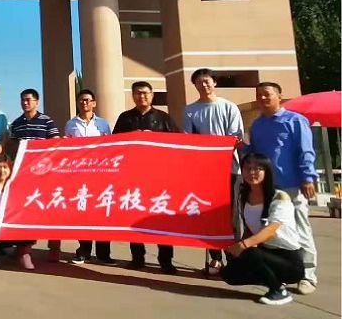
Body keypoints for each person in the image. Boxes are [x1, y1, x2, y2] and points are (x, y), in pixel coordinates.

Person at [245, 82, 318, 295]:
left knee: (300, 229)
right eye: (259, 95)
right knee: (273, 234)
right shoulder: (257, 125)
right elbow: (254, 154)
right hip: (267, 189)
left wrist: (308, 177)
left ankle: (307, 275)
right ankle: (281, 274)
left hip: (292, 185)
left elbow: (306, 151)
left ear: (279, 96)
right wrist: (238, 146)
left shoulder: (295, 121)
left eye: (267, 94)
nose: (263, 98)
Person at [113, 81, 180, 274]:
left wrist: (156, 138)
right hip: (133, 177)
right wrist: (131, 138)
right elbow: (114, 144)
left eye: (145, 93)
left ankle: (166, 260)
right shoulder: (125, 118)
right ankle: (137, 257)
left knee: (162, 218)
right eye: (137, 93)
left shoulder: (163, 118)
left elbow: (177, 143)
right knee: (134, 216)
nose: (141, 96)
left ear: (152, 95)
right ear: (133, 96)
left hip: (158, 177)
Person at [183, 68, 244, 275]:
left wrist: (218, 150)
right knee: (209, 215)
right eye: (199, 82)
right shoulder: (190, 110)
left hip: (230, 169)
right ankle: (215, 258)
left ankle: (234, 257)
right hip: (205, 172)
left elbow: (235, 136)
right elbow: (188, 140)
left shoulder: (229, 107)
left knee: (231, 215)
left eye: (207, 81)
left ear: (214, 83)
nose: (204, 85)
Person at [222, 153, 304, 306]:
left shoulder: (280, 197)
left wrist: (244, 245)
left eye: (257, 168)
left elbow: (271, 229)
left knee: (250, 253)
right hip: (265, 253)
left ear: (267, 171)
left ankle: (279, 291)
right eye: (247, 168)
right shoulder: (244, 196)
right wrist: (237, 247)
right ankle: (271, 277)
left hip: (288, 259)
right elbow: (249, 228)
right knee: (229, 274)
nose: (252, 172)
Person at [8, 88, 61, 267]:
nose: (25, 103)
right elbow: (13, 146)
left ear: (37, 102)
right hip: (24, 174)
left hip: (46, 174)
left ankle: (54, 247)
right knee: (25, 211)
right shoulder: (17, 123)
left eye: (29, 100)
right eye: (23, 100)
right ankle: (24, 248)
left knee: (51, 210)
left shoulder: (47, 121)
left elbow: (56, 144)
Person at [64, 89, 116, 265]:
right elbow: (67, 150)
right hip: (80, 176)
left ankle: (104, 254)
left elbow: (110, 148)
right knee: (83, 213)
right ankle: (83, 251)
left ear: (94, 103)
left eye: (87, 100)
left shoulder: (103, 124)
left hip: (100, 175)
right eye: (81, 100)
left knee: (102, 213)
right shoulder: (71, 124)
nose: (84, 103)